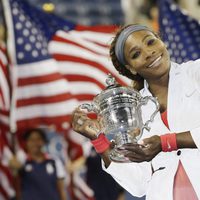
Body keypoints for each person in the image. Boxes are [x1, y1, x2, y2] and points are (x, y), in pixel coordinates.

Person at [71, 24, 200, 200]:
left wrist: (166, 142)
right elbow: (138, 184)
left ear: (160, 41)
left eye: (151, 42)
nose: (149, 53)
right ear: (131, 68)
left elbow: (164, 144)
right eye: (136, 54)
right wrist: (98, 140)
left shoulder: (196, 73)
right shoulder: (135, 109)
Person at [8, 128, 67, 200]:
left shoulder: (55, 161)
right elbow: (16, 188)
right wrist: (15, 169)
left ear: (44, 141)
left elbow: (61, 190)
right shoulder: (21, 161)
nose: (35, 143)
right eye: (31, 140)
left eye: (38, 139)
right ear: (26, 143)